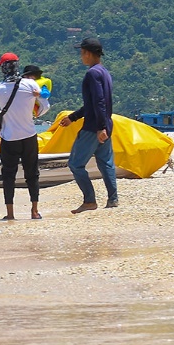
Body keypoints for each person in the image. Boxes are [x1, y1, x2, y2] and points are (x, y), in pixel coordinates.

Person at [0, 55, 48, 220]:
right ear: (17, 66)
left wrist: (0, 114)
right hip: (29, 136)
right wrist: (32, 115)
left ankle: (10, 214)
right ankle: (34, 211)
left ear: (3, 68)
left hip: (9, 138)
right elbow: (45, 105)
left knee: (9, 175)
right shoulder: (30, 84)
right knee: (32, 173)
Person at [62, 37, 118, 213]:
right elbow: (95, 102)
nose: (81, 57)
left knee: (75, 164)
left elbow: (98, 101)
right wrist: (74, 117)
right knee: (105, 162)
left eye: (82, 53)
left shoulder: (92, 73)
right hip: (106, 123)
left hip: (94, 127)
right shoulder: (104, 72)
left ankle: (89, 200)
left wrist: (99, 127)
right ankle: (113, 199)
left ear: (87, 53)